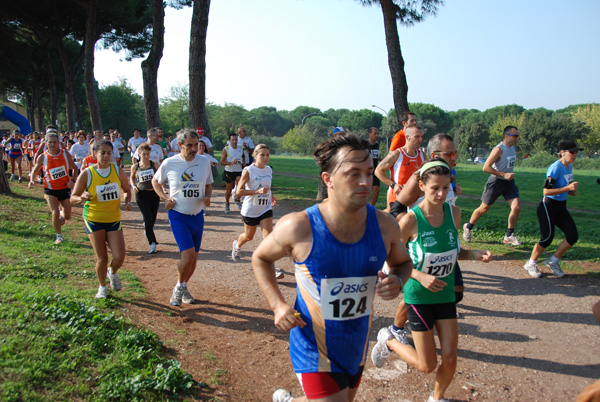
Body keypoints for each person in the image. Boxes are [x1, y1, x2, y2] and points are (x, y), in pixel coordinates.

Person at [253, 134, 413, 402]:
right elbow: (260, 258)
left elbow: (403, 263)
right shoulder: (299, 226)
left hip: (356, 344)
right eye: (353, 174)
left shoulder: (385, 225)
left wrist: (397, 279)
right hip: (313, 346)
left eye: (368, 173)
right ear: (328, 179)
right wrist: (277, 304)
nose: (366, 182)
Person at [371, 160, 491, 402]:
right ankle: (390, 340)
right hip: (418, 295)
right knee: (426, 365)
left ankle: (436, 398)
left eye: (446, 188)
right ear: (422, 186)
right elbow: (392, 262)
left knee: (450, 356)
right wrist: (418, 275)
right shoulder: (409, 220)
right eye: (435, 187)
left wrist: (473, 254)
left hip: (445, 293)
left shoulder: (454, 214)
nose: (441, 193)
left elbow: (452, 251)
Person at [383, 134, 463, 345]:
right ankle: (395, 330)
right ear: (436, 155)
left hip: (443, 240)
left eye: (456, 152)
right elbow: (397, 208)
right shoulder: (418, 177)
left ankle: (412, 321)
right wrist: (414, 227)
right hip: (423, 242)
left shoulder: (447, 174)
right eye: (450, 153)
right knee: (418, 289)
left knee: (457, 290)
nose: (454, 156)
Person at [151, 128, 213, 307]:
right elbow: (156, 181)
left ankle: (184, 286)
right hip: (178, 215)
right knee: (187, 256)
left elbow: (208, 185)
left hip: (198, 215)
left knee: (194, 258)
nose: (194, 149)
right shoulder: (170, 163)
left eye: (196, 145)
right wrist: (165, 198)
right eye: (190, 145)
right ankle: (178, 288)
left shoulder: (204, 162)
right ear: (179, 145)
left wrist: (207, 197)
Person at [71, 139, 132, 298]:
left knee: (119, 256)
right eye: (102, 153)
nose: (106, 156)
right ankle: (102, 287)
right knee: (102, 257)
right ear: (95, 154)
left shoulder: (117, 171)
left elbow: (126, 189)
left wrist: (127, 200)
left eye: (109, 153)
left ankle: (112, 272)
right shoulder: (87, 173)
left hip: (113, 219)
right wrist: (82, 197)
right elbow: (73, 197)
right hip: (93, 219)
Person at [523, 141, 581, 278]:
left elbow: (564, 187)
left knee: (572, 236)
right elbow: (546, 192)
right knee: (547, 238)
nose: (575, 155)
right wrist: (568, 189)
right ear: (562, 152)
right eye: (572, 152)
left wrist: (571, 192)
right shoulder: (555, 168)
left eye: (576, 152)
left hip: (561, 207)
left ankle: (553, 261)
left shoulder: (569, 167)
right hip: (547, 206)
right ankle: (531, 263)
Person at [463, 126, 523, 245]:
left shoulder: (512, 148)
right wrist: (503, 174)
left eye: (517, 136)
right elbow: (485, 167)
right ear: (506, 136)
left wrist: (507, 176)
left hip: (509, 182)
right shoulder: (498, 149)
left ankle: (509, 235)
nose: (517, 138)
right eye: (514, 136)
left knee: (516, 207)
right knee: (484, 208)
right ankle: (468, 227)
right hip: (496, 181)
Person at [230, 144, 284, 278]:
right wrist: (257, 192)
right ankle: (237, 244)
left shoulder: (268, 170)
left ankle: (272, 268)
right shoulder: (248, 170)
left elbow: (267, 187)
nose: (266, 158)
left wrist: (271, 196)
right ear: (255, 156)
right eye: (262, 155)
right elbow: (239, 192)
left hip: (265, 208)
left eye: (267, 155)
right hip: (250, 210)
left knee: (269, 238)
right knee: (248, 236)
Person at [29, 132, 79, 244]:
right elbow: (35, 170)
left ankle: (61, 215)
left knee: (67, 216)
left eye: (55, 142)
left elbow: (75, 168)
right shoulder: (43, 157)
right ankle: (59, 236)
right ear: (46, 143)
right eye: (50, 142)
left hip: (64, 188)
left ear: (58, 143)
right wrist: (32, 179)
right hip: (50, 189)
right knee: (54, 212)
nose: (52, 144)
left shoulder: (65, 154)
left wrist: (72, 180)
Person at [375, 125, 425, 216]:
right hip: (398, 198)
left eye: (421, 137)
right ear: (407, 137)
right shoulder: (397, 154)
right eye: (417, 136)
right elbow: (378, 171)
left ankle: (376, 217)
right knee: (400, 223)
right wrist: (393, 185)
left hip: (416, 198)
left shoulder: (422, 155)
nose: (420, 139)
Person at [130, 143, 161, 254]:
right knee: (147, 218)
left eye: (148, 154)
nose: (146, 156)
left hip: (154, 194)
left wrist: (161, 187)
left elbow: (160, 177)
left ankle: (148, 230)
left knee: (152, 218)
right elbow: (132, 178)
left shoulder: (154, 164)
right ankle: (152, 243)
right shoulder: (135, 167)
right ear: (139, 154)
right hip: (141, 194)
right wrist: (133, 186)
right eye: (143, 154)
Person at [221, 132, 245, 212]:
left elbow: (243, 156)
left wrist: (243, 162)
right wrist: (231, 163)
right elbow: (222, 162)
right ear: (229, 140)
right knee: (229, 190)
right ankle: (227, 204)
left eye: (236, 140)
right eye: (233, 140)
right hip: (229, 171)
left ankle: (237, 200)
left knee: (241, 186)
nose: (235, 141)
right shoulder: (226, 149)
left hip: (238, 170)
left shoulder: (240, 148)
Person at [367, 127, 381, 206]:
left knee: (376, 190)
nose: (376, 136)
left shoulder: (377, 145)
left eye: (377, 134)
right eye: (375, 134)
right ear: (369, 134)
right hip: (367, 171)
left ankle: (371, 207)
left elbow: (376, 156)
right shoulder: (365, 145)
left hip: (375, 171)